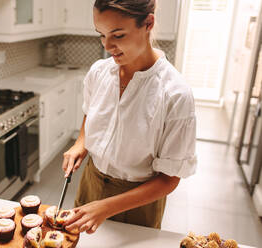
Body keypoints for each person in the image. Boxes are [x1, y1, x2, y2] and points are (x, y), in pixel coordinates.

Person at [61, 0, 197, 235]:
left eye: (118, 35)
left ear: (148, 23)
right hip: (90, 184)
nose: (108, 45)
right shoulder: (99, 72)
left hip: (138, 202)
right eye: (101, 35)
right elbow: (90, 113)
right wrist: (80, 144)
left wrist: (106, 207)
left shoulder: (175, 94)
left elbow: (169, 179)